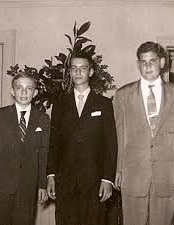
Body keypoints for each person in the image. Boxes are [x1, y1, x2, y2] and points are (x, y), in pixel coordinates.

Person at [114, 41, 174, 225]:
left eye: (152, 61)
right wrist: (117, 169)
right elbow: (119, 136)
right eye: (143, 62)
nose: (148, 66)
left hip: (165, 173)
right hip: (132, 174)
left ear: (162, 62)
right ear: (138, 65)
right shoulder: (122, 96)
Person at [47, 52, 117, 225]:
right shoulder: (60, 103)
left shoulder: (104, 104)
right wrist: (50, 175)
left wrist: (107, 179)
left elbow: (111, 144)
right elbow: (53, 143)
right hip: (65, 180)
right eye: (74, 68)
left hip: (94, 180)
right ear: (69, 72)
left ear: (91, 72)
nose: (78, 72)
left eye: (83, 68)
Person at [0, 71, 50, 225]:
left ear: (35, 92)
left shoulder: (43, 119)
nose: (24, 92)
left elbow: (44, 155)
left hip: (28, 186)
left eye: (28, 88)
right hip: (1, 185)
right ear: (12, 91)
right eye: (19, 88)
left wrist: (42, 186)